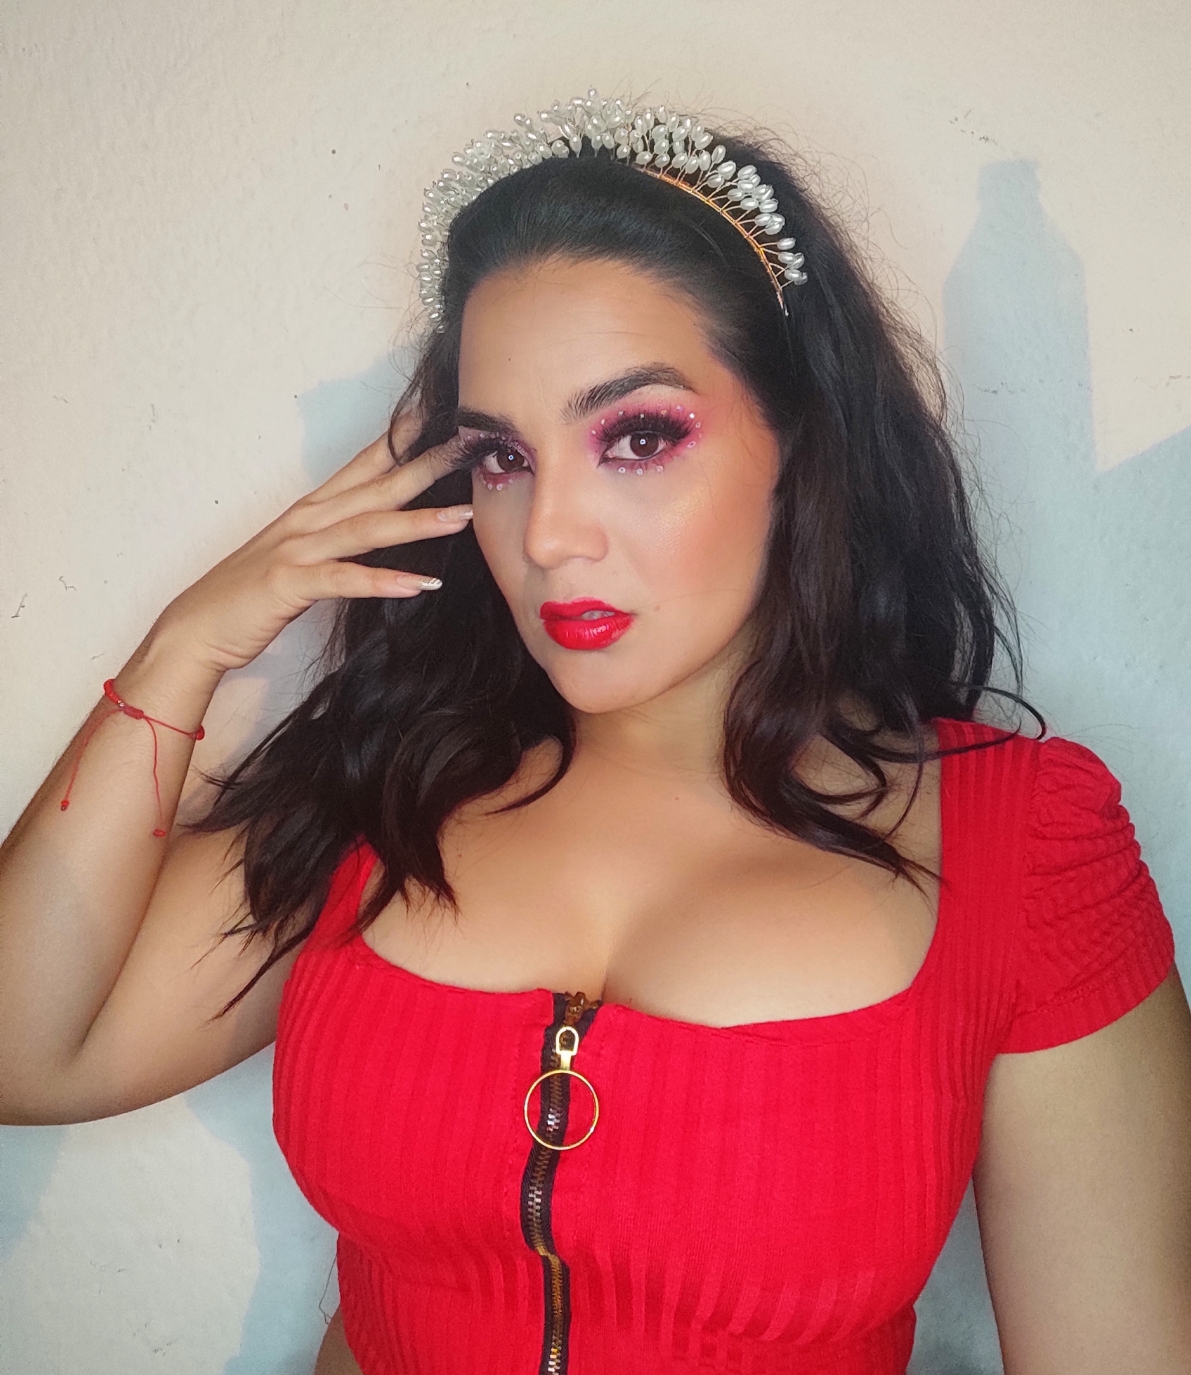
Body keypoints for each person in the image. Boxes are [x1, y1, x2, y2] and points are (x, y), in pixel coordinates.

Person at [1, 89, 1188, 1375]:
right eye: (501, 457)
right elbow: (28, 1054)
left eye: (638, 436)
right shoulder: (395, 779)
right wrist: (187, 645)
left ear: (798, 440)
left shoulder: (1024, 842)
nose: (550, 533)